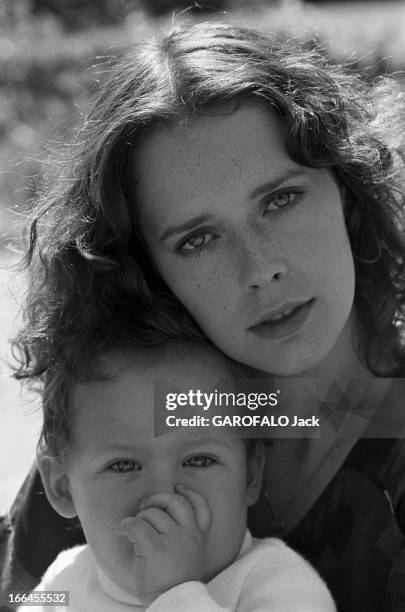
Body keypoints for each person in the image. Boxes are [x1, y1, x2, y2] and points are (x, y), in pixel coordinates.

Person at [2, 19, 405, 612]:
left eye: (281, 200)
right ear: (145, 269)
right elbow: (35, 598)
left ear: (343, 188)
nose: (260, 268)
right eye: (197, 240)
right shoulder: (124, 422)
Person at [21, 328, 335, 611]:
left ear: (250, 476)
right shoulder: (63, 583)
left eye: (198, 460)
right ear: (63, 486)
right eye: (124, 465)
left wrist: (173, 594)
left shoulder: (280, 586)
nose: (163, 496)